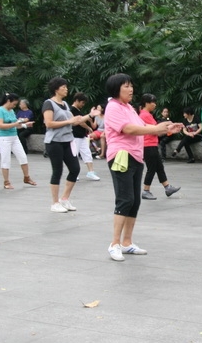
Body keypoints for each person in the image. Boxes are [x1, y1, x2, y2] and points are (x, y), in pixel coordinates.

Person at [104, 74, 180, 261]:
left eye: (131, 86)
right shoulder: (113, 107)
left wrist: (166, 128)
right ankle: (114, 244)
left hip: (136, 156)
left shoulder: (128, 107)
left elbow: (142, 125)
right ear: (116, 89)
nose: (131, 89)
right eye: (126, 86)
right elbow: (128, 129)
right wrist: (156, 129)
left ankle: (127, 242)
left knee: (134, 201)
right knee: (125, 200)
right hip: (121, 156)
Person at [42, 77, 93, 213]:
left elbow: (75, 121)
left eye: (66, 87)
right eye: (63, 87)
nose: (66, 89)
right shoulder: (48, 104)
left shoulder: (65, 104)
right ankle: (54, 203)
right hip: (54, 142)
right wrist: (68, 122)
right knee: (57, 171)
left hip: (67, 141)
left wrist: (90, 115)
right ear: (56, 89)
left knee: (75, 169)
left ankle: (64, 198)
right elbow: (49, 123)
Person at [139, 94, 181, 200]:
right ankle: (146, 191)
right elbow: (156, 130)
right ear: (146, 103)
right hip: (148, 145)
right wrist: (169, 128)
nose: (155, 104)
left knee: (159, 167)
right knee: (152, 169)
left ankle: (167, 187)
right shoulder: (145, 115)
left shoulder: (146, 114)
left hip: (151, 144)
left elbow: (157, 131)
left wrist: (170, 130)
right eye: (153, 102)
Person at [0, 93, 37, 189]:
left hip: (14, 137)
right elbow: (0, 125)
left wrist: (25, 125)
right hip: (4, 138)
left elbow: (16, 125)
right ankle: (6, 182)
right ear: (8, 101)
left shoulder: (11, 111)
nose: (14, 106)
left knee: (23, 157)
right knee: (6, 160)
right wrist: (15, 124)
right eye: (13, 104)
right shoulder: (0, 110)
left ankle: (27, 177)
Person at [70, 92, 100, 181]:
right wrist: (88, 128)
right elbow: (79, 122)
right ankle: (74, 173)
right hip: (75, 136)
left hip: (82, 136)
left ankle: (91, 172)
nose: (83, 105)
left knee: (87, 153)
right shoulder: (72, 110)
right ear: (77, 100)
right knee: (74, 155)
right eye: (82, 102)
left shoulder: (78, 110)